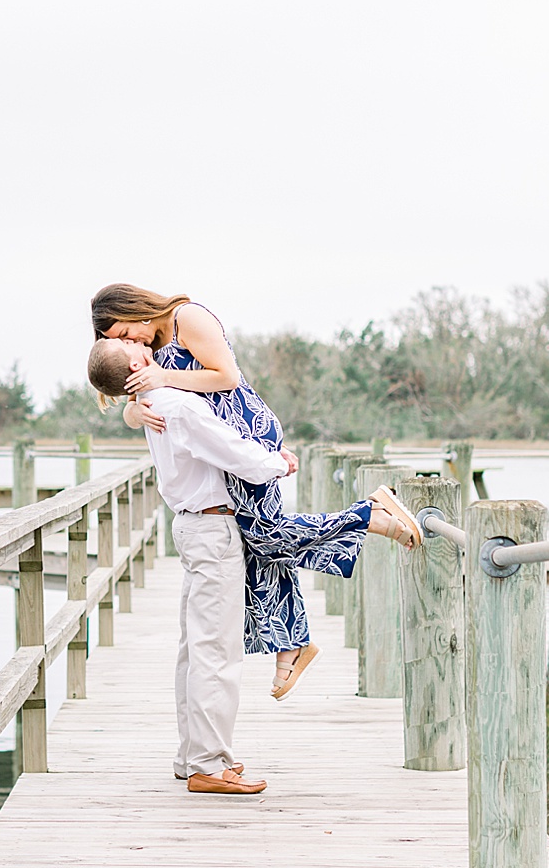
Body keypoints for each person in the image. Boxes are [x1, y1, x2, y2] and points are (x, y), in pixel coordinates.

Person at [86, 338, 420, 794]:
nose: (139, 341)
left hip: (192, 526)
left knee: (195, 650)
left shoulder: (150, 401)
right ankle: (208, 763)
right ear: (138, 365)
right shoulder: (173, 404)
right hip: (211, 528)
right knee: (216, 652)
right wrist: (276, 463)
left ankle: (193, 757)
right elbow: (230, 450)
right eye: (130, 344)